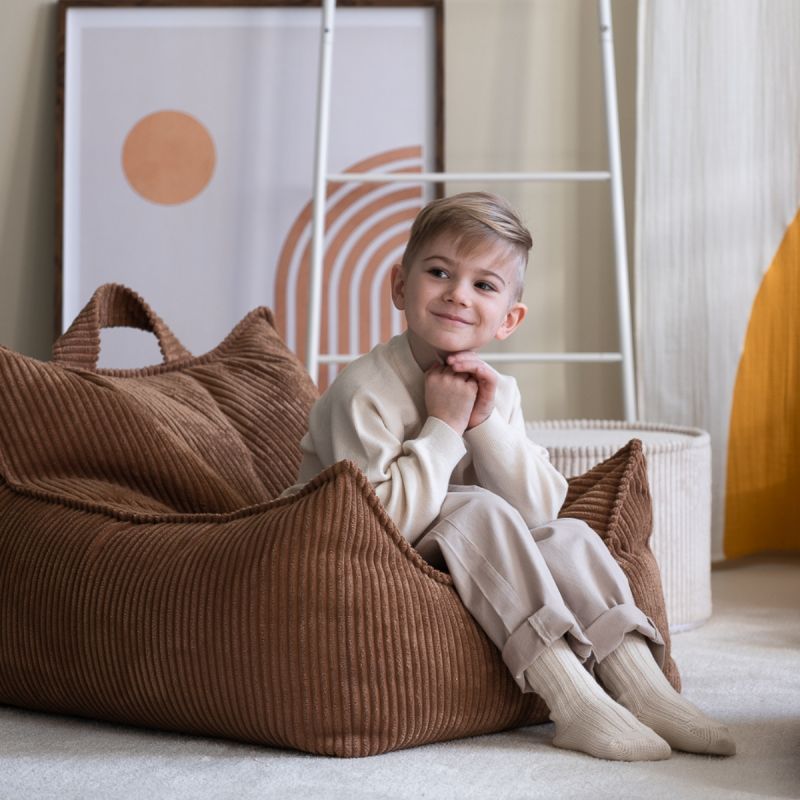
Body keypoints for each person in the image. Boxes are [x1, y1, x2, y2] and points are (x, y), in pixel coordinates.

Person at [290, 191, 736, 761]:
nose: (457, 293)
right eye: (439, 272)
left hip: (468, 549)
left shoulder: (499, 393)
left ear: (509, 319)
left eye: (484, 284)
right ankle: (570, 699)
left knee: (570, 535)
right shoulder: (362, 391)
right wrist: (444, 428)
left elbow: (542, 511)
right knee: (478, 507)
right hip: (347, 546)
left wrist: (482, 424)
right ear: (401, 287)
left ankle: (640, 685)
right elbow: (381, 523)